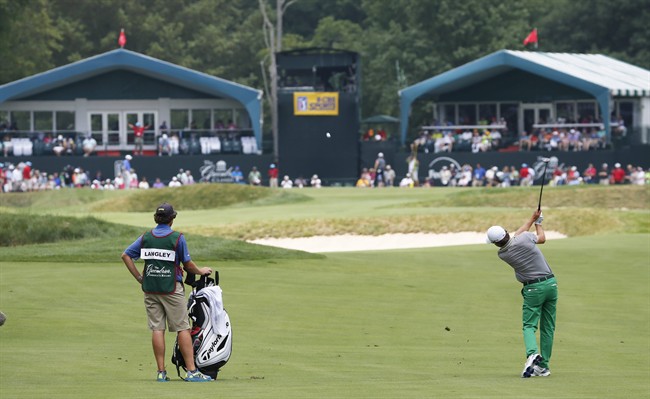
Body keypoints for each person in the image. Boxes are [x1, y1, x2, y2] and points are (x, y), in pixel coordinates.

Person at [121, 203, 214, 382]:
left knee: (157, 329)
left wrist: (139, 277)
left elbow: (126, 255)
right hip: (171, 289)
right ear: (172, 219)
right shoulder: (177, 238)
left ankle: (161, 373)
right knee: (182, 328)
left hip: (150, 288)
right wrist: (201, 271)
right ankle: (192, 372)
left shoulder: (146, 237)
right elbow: (188, 265)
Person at [486, 209, 557, 378]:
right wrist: (538, 223)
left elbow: (515, 238)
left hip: (533, 290)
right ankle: (543, 366)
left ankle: (532, 353)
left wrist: (532, 219)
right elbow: (541, 239)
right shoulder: (524, 239)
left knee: (529, 326)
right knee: (548, 327)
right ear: (506, 232)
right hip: (551, 284)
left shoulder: (502, 253)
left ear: (496, 243)